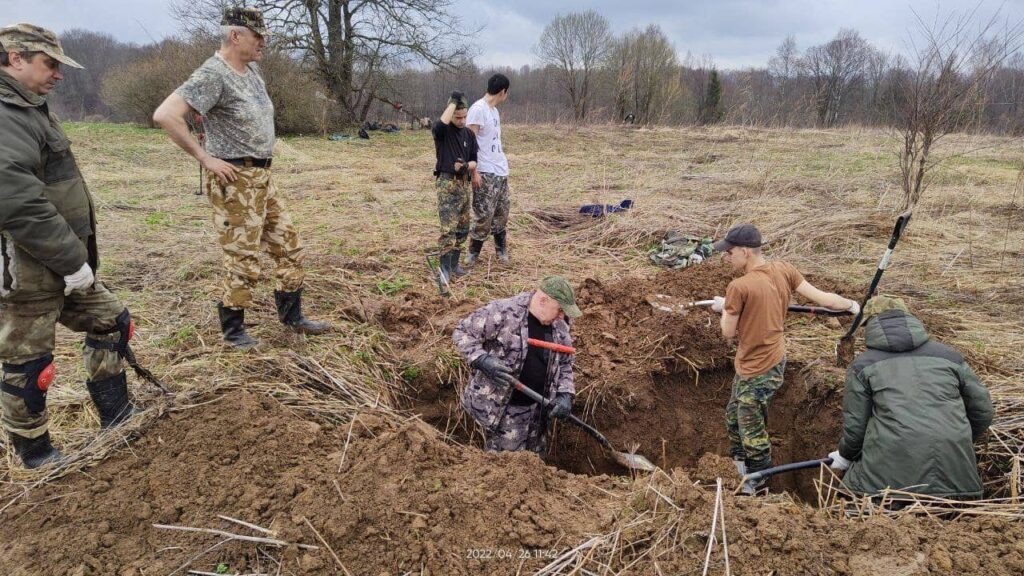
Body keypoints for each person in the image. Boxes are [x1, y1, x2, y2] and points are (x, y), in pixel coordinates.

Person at [0, 24, 139, 468]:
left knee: (111, 321)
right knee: (29, 364)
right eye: (50, 63)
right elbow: (18, 202)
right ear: (15, 58)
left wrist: (75, 262)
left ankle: (117, 415)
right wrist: (71, 259)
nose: (58, 73)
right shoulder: (4, 114)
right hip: (25, 270)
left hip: (61, 265)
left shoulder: (29, 106)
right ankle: (35, 454)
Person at [153, 6, 330, 350]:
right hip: (235, 179)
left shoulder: (251, 72)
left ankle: (293, 318)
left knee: (289, 246)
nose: (263, 43)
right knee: (243, 257)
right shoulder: (212, 74)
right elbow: (166, 115)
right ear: (236, 36)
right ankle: (234, 332)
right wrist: (205, 158)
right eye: (258, 36)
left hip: (262, 177)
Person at [711, 223, 859, 493]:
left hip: (758, 365)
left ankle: (758, 479)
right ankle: (739, 464)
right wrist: (851, 305)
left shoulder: (739, 286)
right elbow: (823, 298)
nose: (726, 257)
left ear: (745, 251)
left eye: (729, 252)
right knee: (735, 414)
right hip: (773, 359)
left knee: (749, 421)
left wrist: (726, 308)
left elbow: (727, 333)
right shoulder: (784, 270)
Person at [828, 296, 992, 500]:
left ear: (870, 325)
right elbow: (983, 411)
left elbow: (856, 428)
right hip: (959, 480)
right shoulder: (950, 357)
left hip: (887, 487)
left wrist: (844, 456)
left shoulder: (862, 366)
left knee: (846, 502)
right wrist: (957, 439)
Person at [454, 276, 582, 456]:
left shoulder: (559, 324)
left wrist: (565, 394)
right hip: (505, 412)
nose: (562, 316)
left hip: (539, 413)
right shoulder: (503, 312)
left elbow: (565, 363)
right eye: (560, 310)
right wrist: (482, 360)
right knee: (507, 469)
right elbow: (462, 332)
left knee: (535, 466)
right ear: (543, 300)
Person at [431, 90, 479, 291]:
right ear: (451, 114)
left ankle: (454, 265)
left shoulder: (468, 134)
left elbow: (475, 159)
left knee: (462, 228)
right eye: (458, 117)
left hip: (463, 185)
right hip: (447, 184)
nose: (462, 120)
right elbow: (439, 125)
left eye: (464, 116)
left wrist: (467, 167)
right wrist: (453, 102)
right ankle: (443, 271)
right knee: (448, 230)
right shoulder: (444, 132)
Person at [465, 73, 511, 266]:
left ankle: (501, 251)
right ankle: (473, 254)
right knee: (484, 215)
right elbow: (468, 142)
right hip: (484, 171)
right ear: (503, 92)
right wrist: (474, 172)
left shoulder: (494, 111)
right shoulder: (478, 109)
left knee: (502, 213)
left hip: (500, 171)